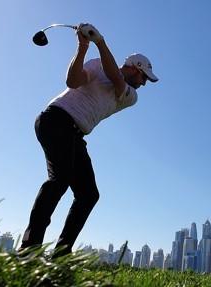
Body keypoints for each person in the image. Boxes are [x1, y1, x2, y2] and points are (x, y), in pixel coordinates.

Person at [20, 23, 158, 257]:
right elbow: (72, 82)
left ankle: (61, 254)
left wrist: (100, 42)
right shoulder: (96, 65)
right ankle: (29, 249)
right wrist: (83, 47)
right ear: (136, 68)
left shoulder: (130, 95)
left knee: (88, 194)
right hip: (55, 120)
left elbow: (115, 77)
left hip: (75, 134)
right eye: (144, 77)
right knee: (59, 180)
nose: (144, 83)